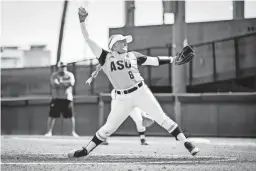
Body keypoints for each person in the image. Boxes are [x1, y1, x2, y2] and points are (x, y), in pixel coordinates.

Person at [68, 7, 199, 158]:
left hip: (140, 91)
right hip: (121, 98)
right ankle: (85, 150)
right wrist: (82, 21)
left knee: (162, 118)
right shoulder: (104, 56)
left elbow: (154, 61)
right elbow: (88, 39)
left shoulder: (133, 55)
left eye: (125, 41)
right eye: (122, 41)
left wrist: (173, 59)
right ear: (114, 45)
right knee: (108, 128)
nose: (125, 43)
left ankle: (187, 144)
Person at [45, 61, 79, 137]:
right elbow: (55, 84)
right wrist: (65, 83)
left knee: (70, 116)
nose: (63, 68)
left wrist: (61, 82)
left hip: (67, 98)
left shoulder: (70, 75)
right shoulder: (54, 75)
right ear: (58, 67)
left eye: (64, 66)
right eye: (61, 67)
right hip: (56, 98)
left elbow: (71, 83)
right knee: (52, 116)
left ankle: (72, 132)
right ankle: (49, 132)